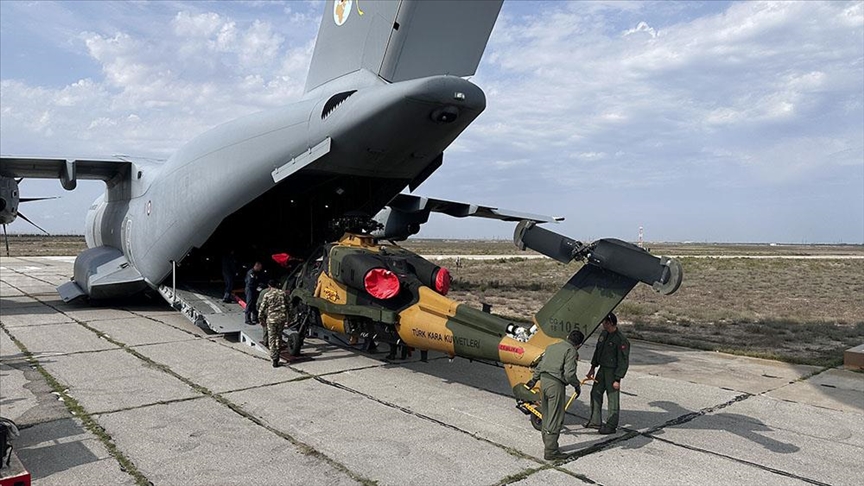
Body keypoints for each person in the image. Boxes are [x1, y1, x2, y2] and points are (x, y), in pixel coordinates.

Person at [525, 329, 584, 461]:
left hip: (544, 383)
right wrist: (576, 385)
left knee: (546, 415)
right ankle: (551, 451)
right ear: (579, 345)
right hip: (555, 385)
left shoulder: (552, 347)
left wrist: (533, 380)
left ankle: (549, 444)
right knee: (555, 417)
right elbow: (569, 374)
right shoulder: (571, 351)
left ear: (567, 337)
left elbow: (540, 365)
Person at [586, 312, 630, 434]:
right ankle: (595, 421)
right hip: (602, 370)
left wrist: (617, 379)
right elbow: (598, 351)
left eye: (604, 322)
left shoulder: (621, 340)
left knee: (612, 398)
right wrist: (592, 368)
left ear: (610, 323)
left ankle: (611, 425)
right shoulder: (604, 334)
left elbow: (623, 361)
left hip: (612, 372)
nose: (602, 324)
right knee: (595, 393)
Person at [257, 279, 288, 368]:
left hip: (271, 319)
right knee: (278, 337)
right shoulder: (283, 293)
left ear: (269, 286)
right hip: (281, 319)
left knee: (272, 338)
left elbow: (261, 308)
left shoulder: (267, 295)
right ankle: (277, 355)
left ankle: (274, 357)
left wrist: (261, 319)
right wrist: (289, 318)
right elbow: (289, 306)